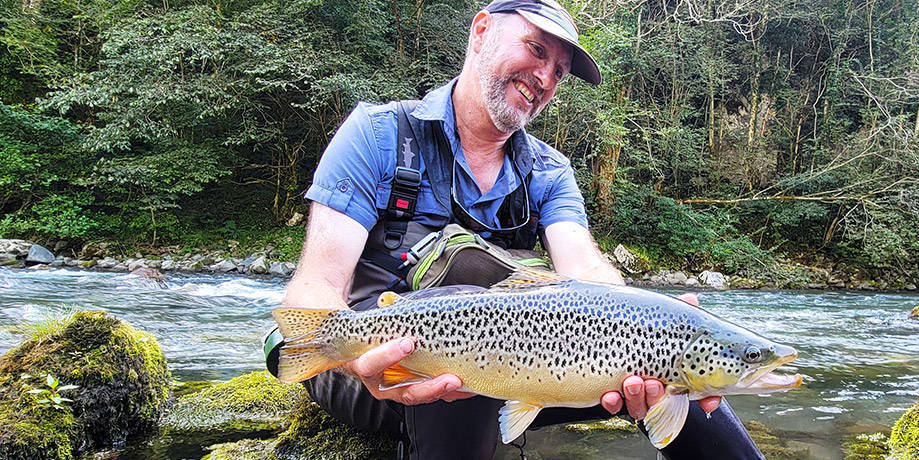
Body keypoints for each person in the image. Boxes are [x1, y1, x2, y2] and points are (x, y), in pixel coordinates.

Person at [282, 0, 763, 458]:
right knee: (465, 290)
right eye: (536, 49)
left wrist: (656, 326)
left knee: (688, 378)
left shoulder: (551, 170)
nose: (544, 77)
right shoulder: (377, 132)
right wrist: (350, 358)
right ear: (481, 29)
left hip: (505, 367)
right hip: (370, 370)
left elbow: (585, 269)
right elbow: (313, 288)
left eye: (558, 71)